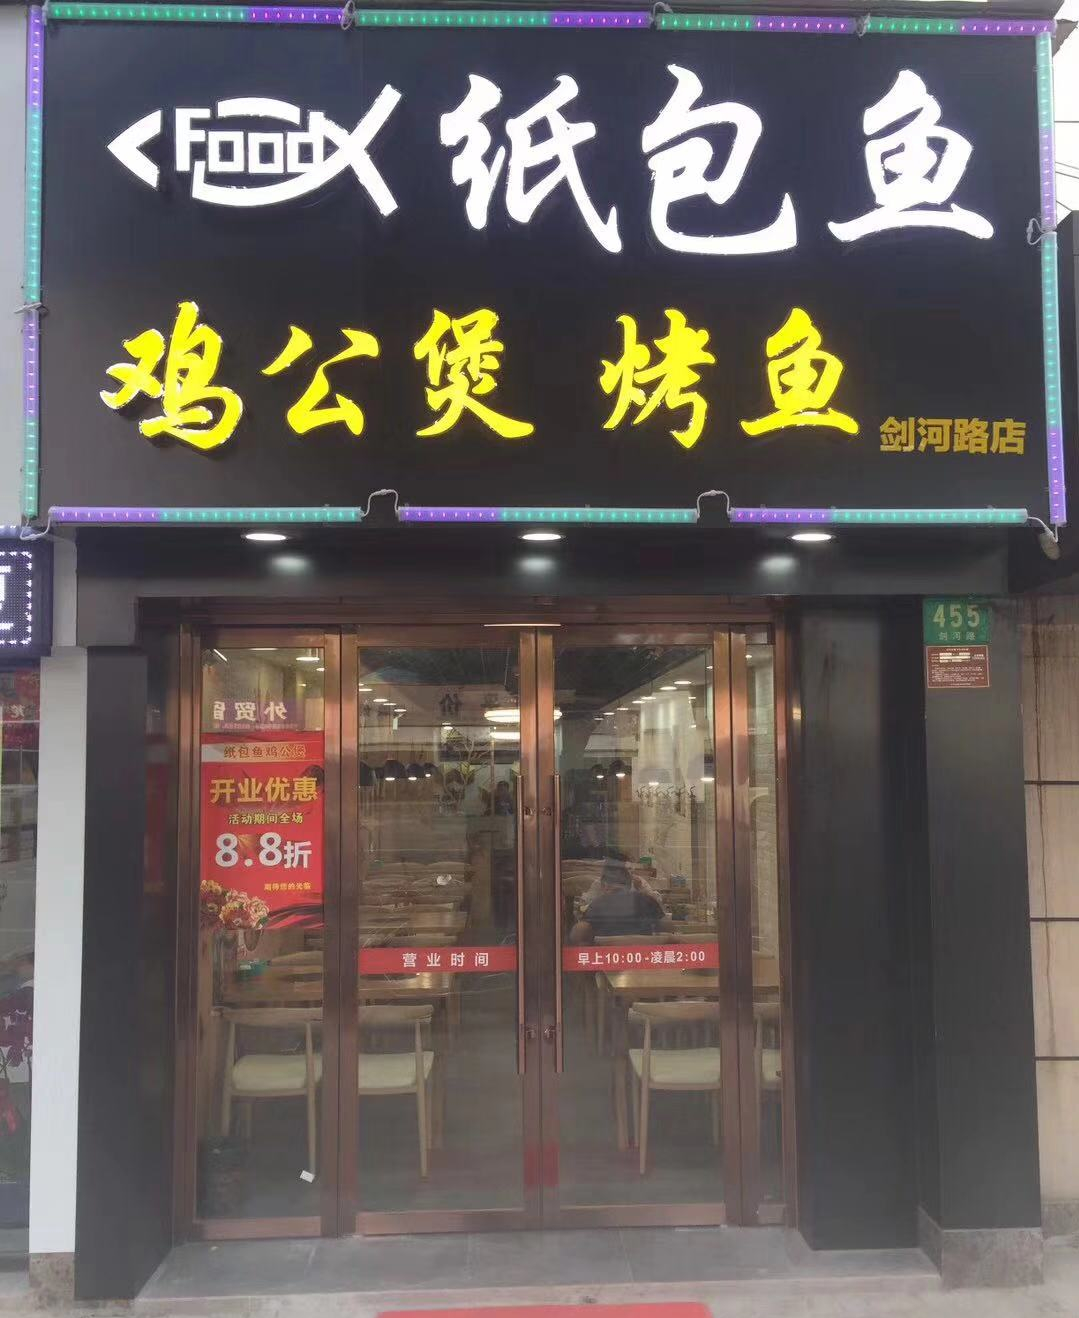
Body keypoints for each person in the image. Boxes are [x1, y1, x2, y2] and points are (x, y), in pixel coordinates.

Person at [569, 859, 665, 943]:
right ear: (629, 884)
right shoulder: (647, 900)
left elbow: (579, 932)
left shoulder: (596, 905)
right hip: (645, 953)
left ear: (604, 885)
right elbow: (663, 925)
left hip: (605, 954)